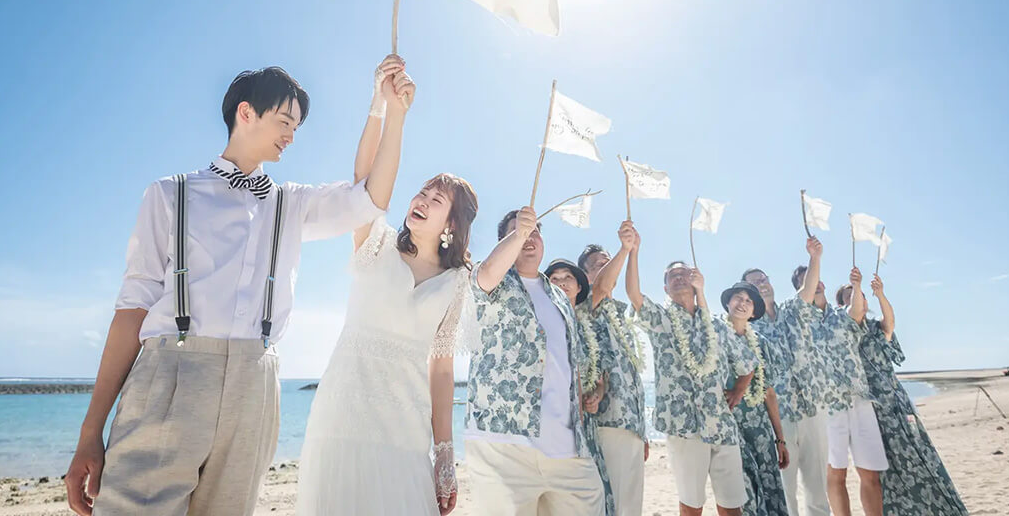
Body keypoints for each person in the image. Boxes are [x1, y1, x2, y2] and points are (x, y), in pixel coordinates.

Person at [66, 58, 409, 516]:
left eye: (297, 127)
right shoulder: (171, 194)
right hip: (170, 373)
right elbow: (132, 310)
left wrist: (387, 109)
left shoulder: (291, 204)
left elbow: (370, 198)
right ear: (245, 113)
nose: (291, 135)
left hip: (255, 383)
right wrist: (91, 430)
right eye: (285, 121)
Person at [297, 59, 476, 515]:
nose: (421, 201)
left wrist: (444, 453)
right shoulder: (375, 244)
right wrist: (383, 105)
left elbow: (441, 371)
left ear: (451, 226)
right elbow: (364, 182)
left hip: (405, 429)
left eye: (437, 201)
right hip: (342, 417)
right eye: (422, 193)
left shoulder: (456, 283)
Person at [463, 208, 606, 515]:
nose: (529, 236)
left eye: (534, 231)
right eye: (517, 231)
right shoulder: (489, 278)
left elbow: (571, 366)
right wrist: (518, 234)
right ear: (503, 242)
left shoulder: (560, 298)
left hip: (567, 450)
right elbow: (487, 273)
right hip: (503, 445)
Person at [626, 242, 755, 516]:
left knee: (733, 506)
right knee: (691, 505)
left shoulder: (717, 325)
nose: (680, 278)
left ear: (696, 281)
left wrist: (738, 391)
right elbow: (634, 293)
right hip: (683, 426)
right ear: (666, 288)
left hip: (721, 424)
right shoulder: (660, 319)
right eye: (673, 276)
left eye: (685, 274)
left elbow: (747, 363)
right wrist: (633, 252)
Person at [842, 275, 968, 516]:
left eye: (859, 296)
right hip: (871, 407)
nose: (858, 299)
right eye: (850, 298)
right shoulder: (846, 333)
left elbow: (889, 322)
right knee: (887, 464)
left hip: (896, 399)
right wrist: (857, 287)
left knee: (919, 453)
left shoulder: (877, 328)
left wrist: (880, 294)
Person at [742, 238, 829, 516]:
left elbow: (809, 287)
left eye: (764, 279)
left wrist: (815, 257)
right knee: (786, 491)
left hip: (812, 409)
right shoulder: (748, 330)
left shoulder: (793, 309)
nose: (763, 284)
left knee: (818, 490)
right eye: (755, 283)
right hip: (779, 418)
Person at [578, 226, 649, 516]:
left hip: (630, 425)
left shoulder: (619, 313)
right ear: (585, 275)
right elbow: (602, 287)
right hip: (605, 422)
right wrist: (625, 250)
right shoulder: (585, 305)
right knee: (611, 506)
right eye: (599, 265)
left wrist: (642, 430)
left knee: (631, 507)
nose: (608, 269)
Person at [547, 258, 617, 516]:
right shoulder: (539, 323)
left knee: (591, 500)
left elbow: (601, 378)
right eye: (554, 278)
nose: (562, 282)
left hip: (585, 429)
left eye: (568, 278)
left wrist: (596, 396)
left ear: (579, 287)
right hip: (551, 428)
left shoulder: (589, 326)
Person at [815, 269, 886, 516]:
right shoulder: (800, 321)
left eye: (814, 279)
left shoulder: (841, 315)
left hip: (860, 400)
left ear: (821, 282)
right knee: (836, 472)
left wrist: (857, 286)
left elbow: (857, 311)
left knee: (870, 472)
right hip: (827, 406)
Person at [720, 281, 791, 516]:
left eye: (749, 301)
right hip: (730, 426)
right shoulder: (715, 336)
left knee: (770, 489)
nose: (742, 303)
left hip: (760, 430)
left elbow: (769, 392)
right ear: (728, 303)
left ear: (753, 312)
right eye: (738, 297)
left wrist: (780, 439)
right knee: (744, 491)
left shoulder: (762, 343)